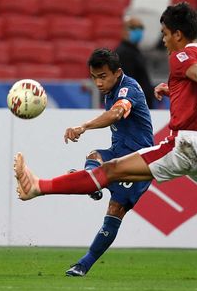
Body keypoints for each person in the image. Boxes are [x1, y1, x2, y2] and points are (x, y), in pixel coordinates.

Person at [14, 2, 197, 235]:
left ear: (178, 34)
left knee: (109, 172)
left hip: (186, 144)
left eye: (165, 34)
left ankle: (39, 186)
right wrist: (188, 92)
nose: (163, 40)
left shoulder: (180, 56)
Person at [63, 48, 154, 277]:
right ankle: (92, 184)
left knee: (115, 210)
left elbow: (116, 114)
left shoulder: (127, 89)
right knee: (93, 156)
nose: (98, 83)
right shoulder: (111, 91)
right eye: (94, 78)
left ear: (117, 72)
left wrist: (83, 126)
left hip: (138, 160)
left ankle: (84, 264)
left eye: (103, 76)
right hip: (119, 152)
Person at [115, 16, 156, 110]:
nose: (138, 32)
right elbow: (126, 82)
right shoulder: (123, 52)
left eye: (140, 29)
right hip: (134, 105)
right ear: (125, 30)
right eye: (134, 28)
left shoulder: (135, 51)